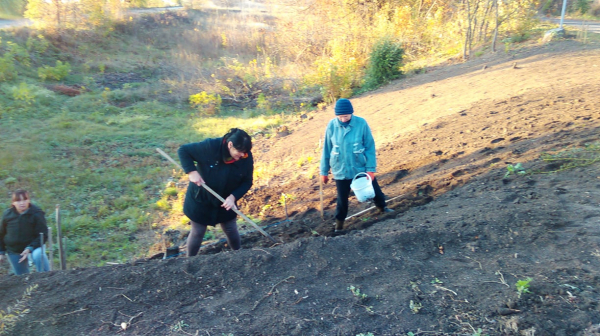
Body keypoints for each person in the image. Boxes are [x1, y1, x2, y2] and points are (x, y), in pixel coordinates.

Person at [320, 98, 393, 232]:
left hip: (359, 166)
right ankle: (339, 225)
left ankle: (383, 208)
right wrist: (324, 171)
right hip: (340, 170)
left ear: (351, 113)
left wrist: (370, 169)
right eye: (340, 117)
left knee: (375, 191)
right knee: (342, 200)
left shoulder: (361, 123)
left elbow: (369, 147)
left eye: (346, 116)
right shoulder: (331, 126)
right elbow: (326, 149)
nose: (343, 119)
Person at [178, 128, 254, 257]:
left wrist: (233, 197)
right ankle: (189, 261)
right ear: (230, 145)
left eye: (245, 153)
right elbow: (183, 150)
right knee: (198, 231)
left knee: (230, 228)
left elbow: (247, 182)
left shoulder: (245, 157)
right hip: (201, 198)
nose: (242, 156)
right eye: (240, 152)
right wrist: (191, 171)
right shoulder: (210, 147)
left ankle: (239, 256)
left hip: (226, 201)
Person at [0, 189, 50, 275]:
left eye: (25, 199)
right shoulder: (7, 214)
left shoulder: (37, 213)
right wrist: (1, 252)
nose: (22, 203)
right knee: (22, 278)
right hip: (14, 250)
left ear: (29, 200)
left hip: (34, 247)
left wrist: (29, 248)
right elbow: (1, 234)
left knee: (38, 255)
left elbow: (43, 234)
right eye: (18, 200)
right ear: (13, 203)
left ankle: (46, 278)